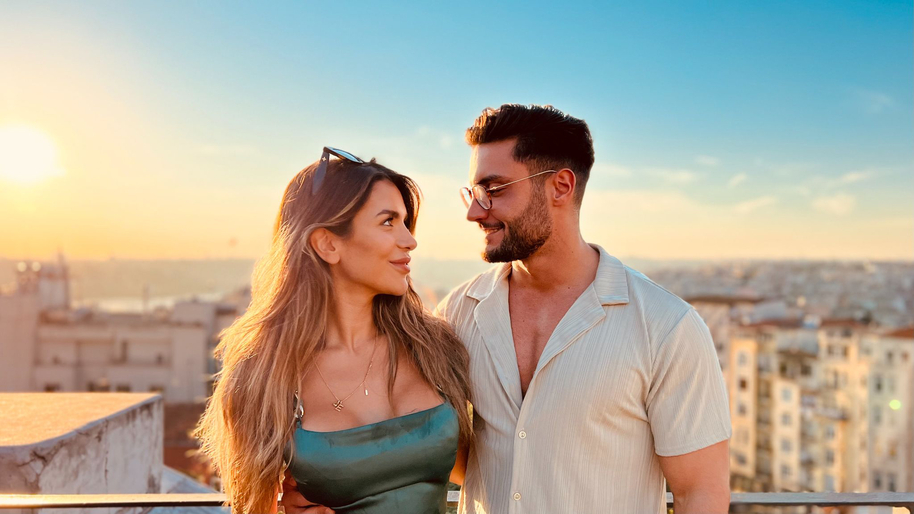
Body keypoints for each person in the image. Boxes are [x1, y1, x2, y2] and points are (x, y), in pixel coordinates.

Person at [282, 104, 732, 514]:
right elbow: (443, 452)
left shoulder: (665, 326)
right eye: (473, 193)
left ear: (560, 186)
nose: (475, 213)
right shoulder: (457, 313)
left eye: (494, 190)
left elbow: (701, 495)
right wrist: (326, 488)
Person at [195, 148, 472, 514]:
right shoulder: (263, 375)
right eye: (388, 222)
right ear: (327, 244)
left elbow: (483, 474)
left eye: (406, 222)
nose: (409, 240)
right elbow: (250, 507)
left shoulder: (437, 347)